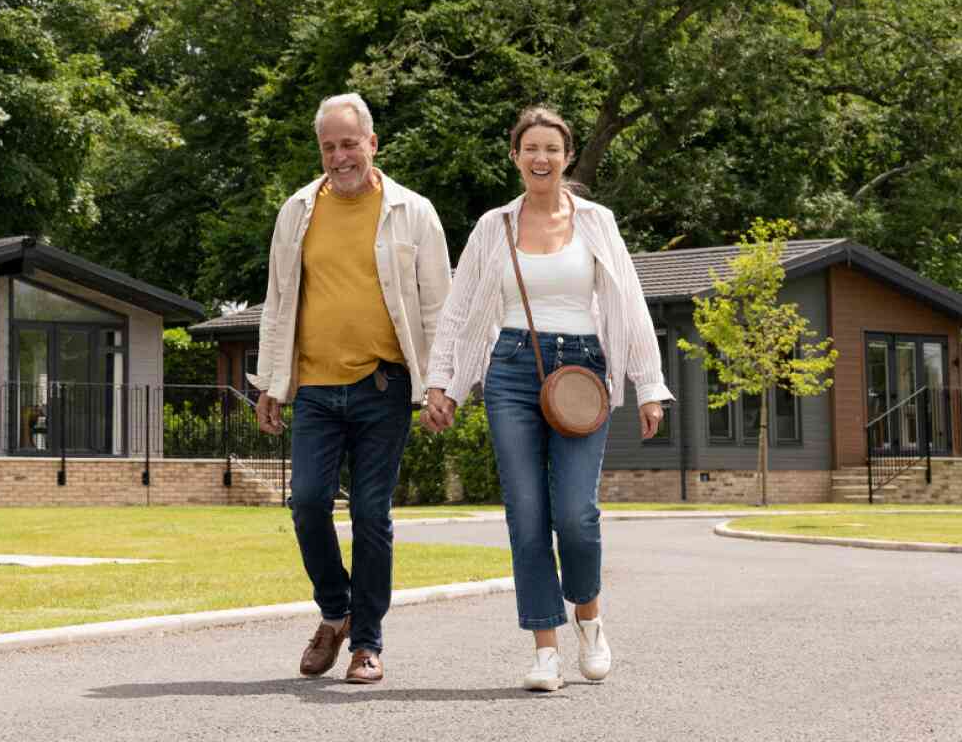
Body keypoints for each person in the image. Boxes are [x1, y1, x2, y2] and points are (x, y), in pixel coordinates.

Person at [421, 105, 671, 692]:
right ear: (515, 157)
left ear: (567, 156)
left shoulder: (597, 222)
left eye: (551, 149)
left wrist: (649, 384)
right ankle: (545, 649)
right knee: (527, 516)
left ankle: (589, 618)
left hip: (583, 372)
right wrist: (442, 383)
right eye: (530, 148)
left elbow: (629, 303)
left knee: (576, 517)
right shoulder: (494, 226)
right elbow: (460, 311)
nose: (541, 158)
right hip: (510, 368)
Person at [252, 92, 452, 685]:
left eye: (349, 143)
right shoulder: (297, 210)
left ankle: (366, 643)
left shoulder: (412, 212)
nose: (339, 156)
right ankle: (334, 612)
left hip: (381, 385)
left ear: (372, 143)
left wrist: (439, 385)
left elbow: (439, 307)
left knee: (371, 514)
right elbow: (278, 300)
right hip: (313, 386)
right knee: (307, 502)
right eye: (328, 146)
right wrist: (269, 382)